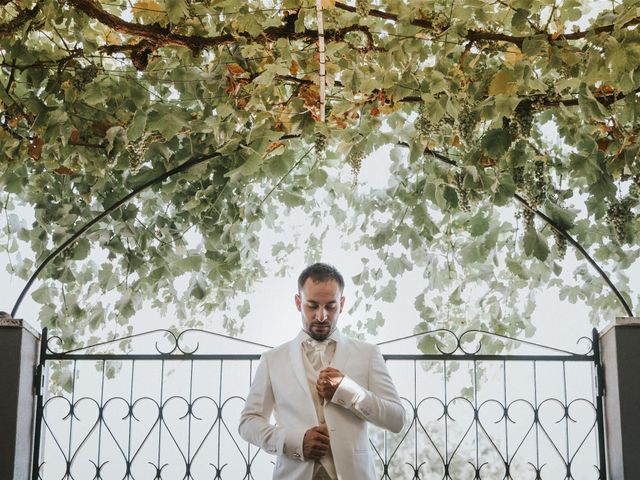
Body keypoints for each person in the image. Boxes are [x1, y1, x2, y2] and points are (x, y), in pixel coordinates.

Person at [238, 262, 405, 479]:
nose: (321, 316)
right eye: (312, 305)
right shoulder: (272, 360)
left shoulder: (368, 354)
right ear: (298, 302)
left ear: (342, 303)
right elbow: (248, 423)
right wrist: (294, 441)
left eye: (330, 306)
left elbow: (396, 419)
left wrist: (350, 392)